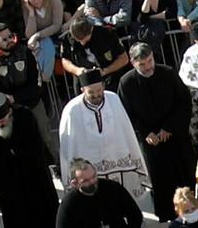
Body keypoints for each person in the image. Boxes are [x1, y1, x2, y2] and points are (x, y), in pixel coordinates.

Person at [118, 43, 194, 222]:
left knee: (185, 175)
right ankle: (169, 215)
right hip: (152, 143)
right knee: (161, 181)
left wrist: (169, 127)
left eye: (150, 61)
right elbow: (126, 114)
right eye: (142, 64)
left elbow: (184, 102)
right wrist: (145, 133)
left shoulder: (167, 73)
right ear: (133, 63)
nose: (148, 66)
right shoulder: (126, 83)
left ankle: (192, 211)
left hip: (176, 137)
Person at [59, 69, 149, 200]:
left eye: (99, 91)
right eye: (91, 92)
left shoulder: (113, 99)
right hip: (90, 168)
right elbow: (69, 146)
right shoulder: (72, 109)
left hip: (117, 159)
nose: (96, 95)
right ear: (82, 90)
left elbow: (125, 130)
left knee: (121, 197)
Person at [0, 92, 58, 228]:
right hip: (10, 186)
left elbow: (36, 148)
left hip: (35, 177)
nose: (1, 124)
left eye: (3, 120)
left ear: (10, 112)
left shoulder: (24, 116)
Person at [0, 23, 58, 161]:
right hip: (11, 111)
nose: (10, 40)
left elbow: (36, 84)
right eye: (4, 39)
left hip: (33, 103)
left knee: (46, 138)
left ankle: (58, 167)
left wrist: (15, 97)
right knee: (21, 144)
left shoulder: (24, 52)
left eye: (10, 36)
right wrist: (10, 101)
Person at [56, 158, 144, 228]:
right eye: (86, 181)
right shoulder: (68, 204)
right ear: (75, 183)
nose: (92, 182)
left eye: (94, 176)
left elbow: (135, 215)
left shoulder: (113, 188)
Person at [61, 15, 130, 93]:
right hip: (83, 80)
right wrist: (77, 70)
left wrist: (104, 71)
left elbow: (124, 58)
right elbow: (65, 60)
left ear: (91, 29)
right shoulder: (67, 39)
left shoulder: (107, 33)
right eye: (78, 40)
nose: (82, 43)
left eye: (84, 38)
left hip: (109, 76)